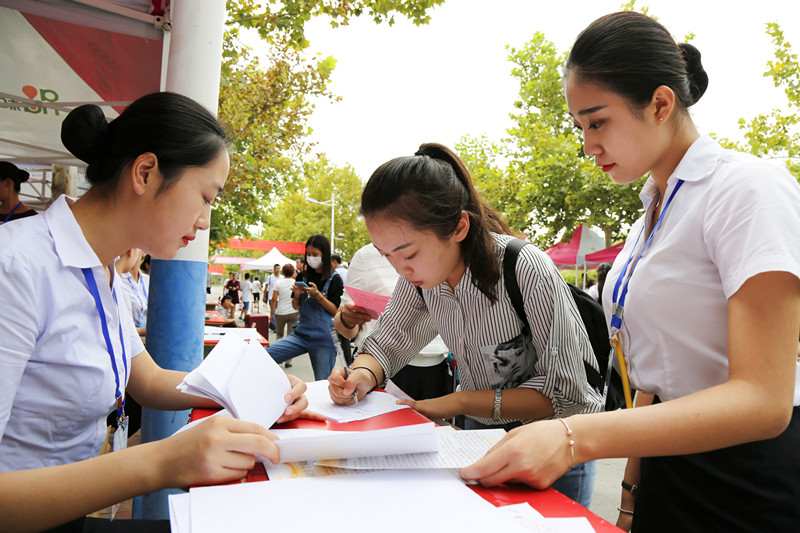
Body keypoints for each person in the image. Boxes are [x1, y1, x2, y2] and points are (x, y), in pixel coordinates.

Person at [459, 12, 800, 532]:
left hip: (747, 477)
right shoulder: (652, 215)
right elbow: (654, 381)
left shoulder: (749, 189)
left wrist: (574, 436)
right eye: (579, 127)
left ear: (661, 104)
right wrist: (630, 498)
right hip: (665, 465)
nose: (588, 145)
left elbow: (764, 399)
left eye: (598, 121)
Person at [0, 92, 313, 532]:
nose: (205, 220)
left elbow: (145, 380)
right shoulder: (15, 267)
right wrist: (161, 462)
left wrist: (255, 391)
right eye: (206, 197)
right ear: (145, 173)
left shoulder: (100, 269)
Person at [328, 143, 603, 507]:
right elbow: (388, 342)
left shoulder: (522, 267)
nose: (400, 270)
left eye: (408, 253)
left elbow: (565, 394)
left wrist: (455, 402)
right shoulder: (421, 280)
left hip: (554, 448)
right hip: (478, 439)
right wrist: (360, 375)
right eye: (387, 256)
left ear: (458, 227)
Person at [334, 243, 452, 399]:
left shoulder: (440, 253)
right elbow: (346, 326)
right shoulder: (366, 257)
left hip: (435, 364)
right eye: (385, 253)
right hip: (377, 364)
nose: (401, 268)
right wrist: (347, 319)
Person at [268, 235, 343, 381]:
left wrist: (318, 296)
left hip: (325, 338)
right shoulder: (302, 276)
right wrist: (296, 295)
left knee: (323, 382)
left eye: (315, 254)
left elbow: (335, 310)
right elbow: (295, 306)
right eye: (308, 254)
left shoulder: (335, 279)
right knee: (266, 354)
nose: (311, 257)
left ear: (324, 255)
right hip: (301, 334)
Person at [271, 263, 300, 340]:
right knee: (291, 336)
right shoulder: (296, 283)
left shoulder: (278, 283)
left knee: (279, 334)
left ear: (283, 272)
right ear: (293, 271)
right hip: (293, 312)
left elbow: (274, 299)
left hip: (280, 312)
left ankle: (278, 350)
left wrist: (271, 314)